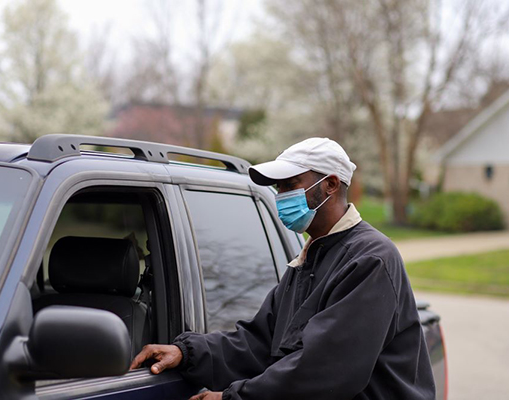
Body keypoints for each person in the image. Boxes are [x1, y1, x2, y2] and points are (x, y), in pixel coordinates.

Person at [130, 138, 436, 400]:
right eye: (279, 188)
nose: (281, 197)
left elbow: (326, 370)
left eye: (290, 186)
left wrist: (232, 397)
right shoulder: (309, 259)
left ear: (330, 184)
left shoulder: (370, 259)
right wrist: (187, 353)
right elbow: (259, 342)